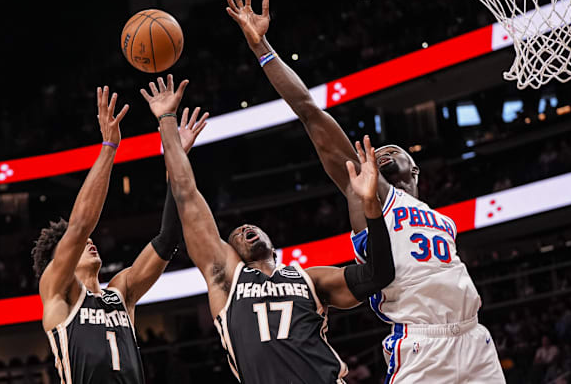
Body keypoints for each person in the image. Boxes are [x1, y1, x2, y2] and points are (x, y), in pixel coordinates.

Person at [225, 0, 505, 382]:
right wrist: (262, 49)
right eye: (381, 148)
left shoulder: (440, 218)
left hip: (475, 338)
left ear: (416, 172)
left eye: (396, 149)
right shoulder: (366, 190)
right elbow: (309, 112)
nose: (386, 150)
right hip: (423, 342)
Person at [139, 74, 395, 384]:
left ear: (273, 245)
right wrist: (168, 121)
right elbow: (185, 193)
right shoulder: (226, 277)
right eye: (236, 233)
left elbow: (378, 275)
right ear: (229, 251)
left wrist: (370, 207)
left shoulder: (309, 278)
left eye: (251, 226)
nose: (245, 227)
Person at [31, 85, 207, 384]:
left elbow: (167, 239)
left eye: (90, 241)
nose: (90, 241)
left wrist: (176, 155)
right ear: (58, 259)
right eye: (75, 245)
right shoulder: (58, 291)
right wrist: (109, 146)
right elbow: (80, 226)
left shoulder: (121, 292)